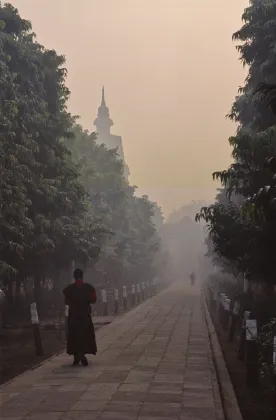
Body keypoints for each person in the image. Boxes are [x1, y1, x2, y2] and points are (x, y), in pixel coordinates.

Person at [63, 268, 97, 366]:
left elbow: (66, 302)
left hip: (73, 317)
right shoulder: (89, 288)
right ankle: (81, 354)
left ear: (74, 277)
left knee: (74, 336)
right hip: (85, 316)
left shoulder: (69, 289)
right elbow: (94, 299)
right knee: (85, 336)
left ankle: (77, 356)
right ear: (82, 276)